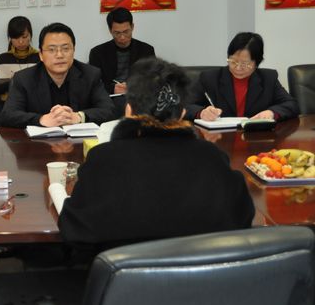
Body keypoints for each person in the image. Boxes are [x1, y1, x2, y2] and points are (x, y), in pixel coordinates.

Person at [58, 58, 255, 253]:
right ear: (182, 113)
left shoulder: (103, 159)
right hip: (204, 272)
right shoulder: (212, 157)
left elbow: (75, 231)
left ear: (128, 110)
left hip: (126, 273)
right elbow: (243, 217)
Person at [0, 22, 114, 128]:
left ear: (73, 50)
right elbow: (8, 115)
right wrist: (41, 119)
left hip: (79, 141)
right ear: (41, 55)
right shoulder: (24, 79)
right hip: (39, 142)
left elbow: (109, 110)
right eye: (52, 50)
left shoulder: (90, 75)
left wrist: (79, 117)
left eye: (65, 49)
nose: (59, 55)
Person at [186, 32, 299, 121]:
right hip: (218, 137)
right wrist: (201, 112)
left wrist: (271, 113)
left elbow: (292, 105)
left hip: (256, 137)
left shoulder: (268, 78)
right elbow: (185, 105)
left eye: (245, 64)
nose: (238, 68)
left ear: (257, 63)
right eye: (233, 62)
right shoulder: (209, 78)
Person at [88, 7, 155, 95]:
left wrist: (133, 87)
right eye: (117, 33)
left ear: (132, 27)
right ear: (110, 30)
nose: (122, 37)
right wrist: (112, 89)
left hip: (138, 96)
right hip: (110, 97)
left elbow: (153, 80)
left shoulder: (146, 50)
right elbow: (93, 83)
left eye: (126, 31)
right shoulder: (97, 53)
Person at [0, 16, 40, 121]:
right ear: (10, 38)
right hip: (9, 109)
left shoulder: (40, 58)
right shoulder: (3, 59)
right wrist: (11, 83)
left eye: (24, 37)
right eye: (16, 38)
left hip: (35, 108)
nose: (21, 42)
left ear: (30, 35)